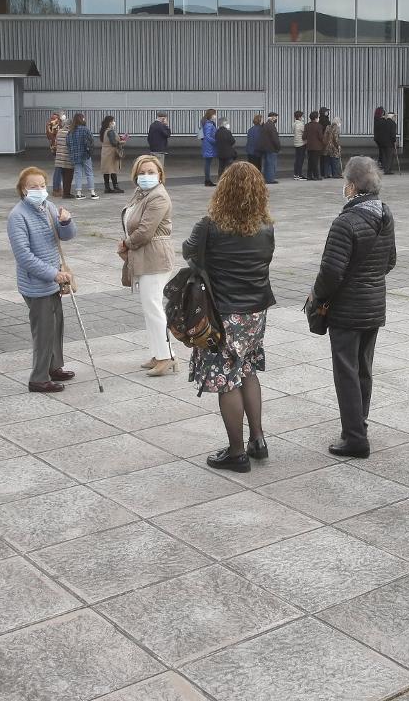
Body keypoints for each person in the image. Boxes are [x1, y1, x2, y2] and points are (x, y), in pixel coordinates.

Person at [183, 162, 276, 472]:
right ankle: (258, 440)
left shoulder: (209, 225)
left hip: (223, 312)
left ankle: (236, 452)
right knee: (247, 369)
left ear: (223, 190)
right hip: (255, 312)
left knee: (226, 378)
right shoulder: (266, 227)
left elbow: (189, 252)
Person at [312, 156, 397, 458]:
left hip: (347, 309)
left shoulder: (345, 222)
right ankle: (359, 423)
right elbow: (390, 261)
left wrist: (318, 297)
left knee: (346, 371)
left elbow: (331, 273)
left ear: (351, 186)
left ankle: (354, 438)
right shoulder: (384, 214)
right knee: (363, 369)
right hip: (374, 305)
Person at [7, 167, 77, 394]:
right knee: (44, 330)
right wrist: (52, 273)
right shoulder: (18, 216)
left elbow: (65, 236)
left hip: (53, 280)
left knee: (57, 325)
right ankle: (38, 378)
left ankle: (54, 366)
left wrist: (66, 222)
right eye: (33, 186)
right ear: (23, 189)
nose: (38, 190)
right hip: (36, 283)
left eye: (41, 185)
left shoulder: (48, 207)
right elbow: (24, 256)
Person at [119, 155, 179, 377]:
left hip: (155, 256)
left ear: (160, 174)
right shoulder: (141, 194)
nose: (146, 176)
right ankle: (158, 353)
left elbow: (145, 231)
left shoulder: (159, 197)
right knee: (149, 307)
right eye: (141, 173)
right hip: (144, 255)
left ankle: (166, 356)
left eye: (151, 172)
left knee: (153, 307)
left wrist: (126, 243)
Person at [67, 113, 97, 200]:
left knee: (78, 173)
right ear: (82, 119)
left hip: (75, 155)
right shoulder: (85, 129)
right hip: (85, 154)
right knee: (89, 173)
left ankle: (78, 193)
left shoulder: (70, 131)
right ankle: (92, 192)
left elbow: (68, 143)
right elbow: (91, 140)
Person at [99, 115, 126, 194]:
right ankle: (116, 187)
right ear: (110, 122)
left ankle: (107, 188)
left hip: (105, 151)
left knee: (106, 170)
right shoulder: (110, 131)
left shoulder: (103, 130)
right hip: (111, 152)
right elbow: (113, 143)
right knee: (113, 169)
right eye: (113, 121)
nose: (114, 123)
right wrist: (121, 142)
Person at [52, 113, 72, 197]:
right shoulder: (69, 133)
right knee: (66, 174)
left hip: (59, 155)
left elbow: (56, 142)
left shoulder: (59, 131)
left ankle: (56, 189)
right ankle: (63, 189)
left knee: (57, 172)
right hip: (66, 156)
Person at [258, 111, 281, 184]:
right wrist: (278, 147)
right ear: (273, 117)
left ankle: (267, 178)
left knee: (267, 164)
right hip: (271, 148)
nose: (276, 118)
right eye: (275, 117)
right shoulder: (271, 125)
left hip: (266, 148)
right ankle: (270, 179)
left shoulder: (265, 125)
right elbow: (274, 138)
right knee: (271, 164)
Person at [374, 106, 397, 174]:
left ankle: (383, 168)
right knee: (389, 156)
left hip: (380, 141)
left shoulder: (378, 121)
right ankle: (387, 170)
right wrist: (394, 141)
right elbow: (392, 134)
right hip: (388, 142)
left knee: (383, 155)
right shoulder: (391, 123)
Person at [303, 110, 325, 181]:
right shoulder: (319, 126)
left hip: (309, 146)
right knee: (315, 161)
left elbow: (304, 136)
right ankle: (316, 176)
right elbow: (321, 137)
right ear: (316, 118)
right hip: (317, 147)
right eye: (318, 117)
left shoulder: (307, 125)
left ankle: (309, 175)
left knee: (310, 161)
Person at [200, 108, 218, 187]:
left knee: (208, 163)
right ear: (211, 115)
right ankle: (207, 180)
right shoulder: (208, 124)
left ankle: (207, 180)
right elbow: (207, 136)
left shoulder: (208, 123)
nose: (215, 116)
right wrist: (216, 141)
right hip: (209, 147)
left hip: (208, 146)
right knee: (207, 164)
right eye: (214, 114)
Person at [292, 110, 307, 180]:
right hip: (301, 143)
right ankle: (299, 175)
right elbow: (305, 132)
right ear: (300, 117)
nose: (303, 118)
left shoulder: (294, 123)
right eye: (302, 116)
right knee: (300, 160)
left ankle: (296, 174)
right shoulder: (300, 124)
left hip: (296, 143)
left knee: (297, 159)